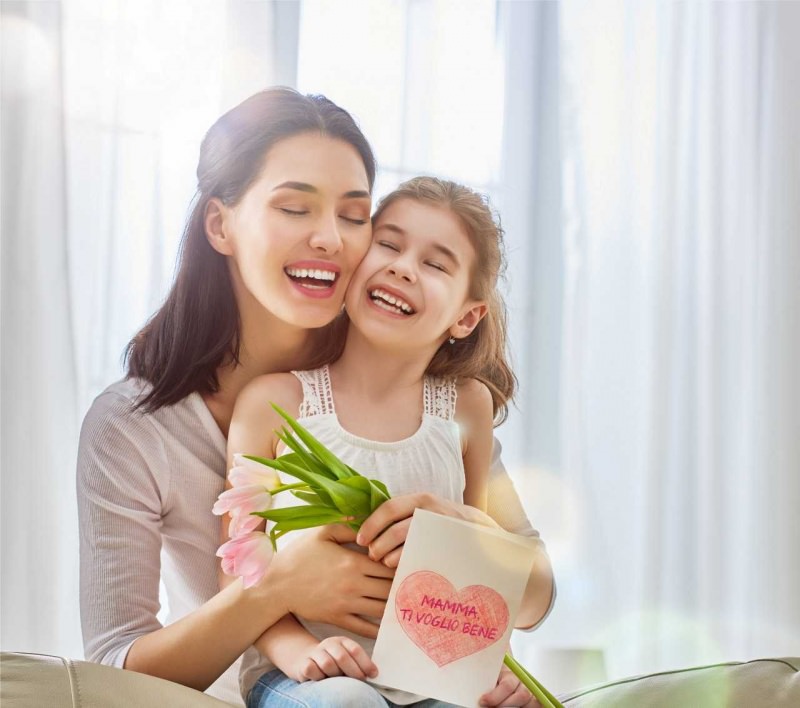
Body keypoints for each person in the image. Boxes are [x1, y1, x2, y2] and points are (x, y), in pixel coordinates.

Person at [76, 87, 554, 706]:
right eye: (295, 207)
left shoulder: (428, 392)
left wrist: (477, 556)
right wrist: (274, 591)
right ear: (221, 224)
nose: (331, 238)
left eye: (355, 216)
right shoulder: (138, 428)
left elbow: (532, 592)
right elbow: (112, 668)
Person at [221, 177, 545, 708]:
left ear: (467, 316)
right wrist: (300, 650)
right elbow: (238, 563)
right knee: (349, 703)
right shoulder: (274, 402)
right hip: (299, 678)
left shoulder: (465, 408)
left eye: (436, 264)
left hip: (427, 677)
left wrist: (490, 669)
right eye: (388, 244)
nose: (402, 267)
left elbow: (468, 570)